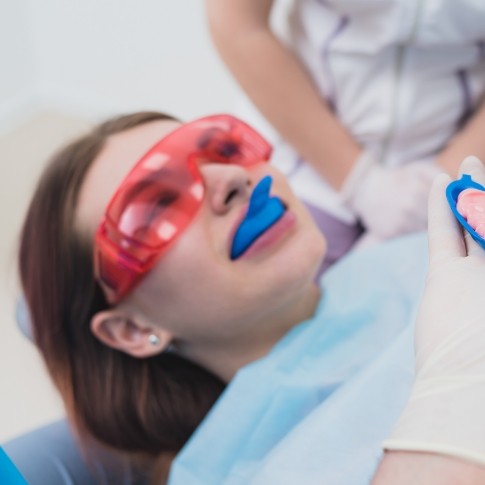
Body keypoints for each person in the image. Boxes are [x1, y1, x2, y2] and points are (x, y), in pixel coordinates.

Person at [8, 110, 485, 484]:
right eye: (160, 205)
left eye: (223, 148)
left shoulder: (424, 245)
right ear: (133, 329)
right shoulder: (234, 473)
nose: (231, 179)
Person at [203, 0, 485, 271]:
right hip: (307, 161)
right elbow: (237, 24)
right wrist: (361, 182)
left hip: (455, 161)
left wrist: (444, 180)